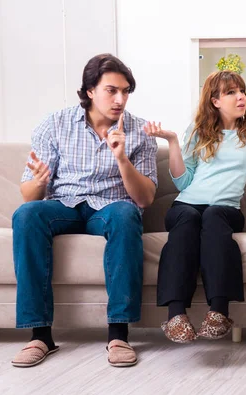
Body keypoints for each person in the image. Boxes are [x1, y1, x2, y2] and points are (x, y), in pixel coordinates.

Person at [11, 54, 158, 368]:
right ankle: (40, 336)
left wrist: (122, 160)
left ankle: (118, 334)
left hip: (109, 208)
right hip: (63, 204)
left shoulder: (139, 132)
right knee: (26, 216)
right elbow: (28, 196)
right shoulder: (55, 124)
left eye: (125, 91)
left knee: (126, 214)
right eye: (111, 90)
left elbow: (144, 199)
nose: (120, 99)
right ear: (90, 90)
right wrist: (39, 181)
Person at [144, 70, 246, 343]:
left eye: (241, 91)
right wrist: (173, 141)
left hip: (225, 209)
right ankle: (175, 315)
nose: (240, 96)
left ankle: (219, 311)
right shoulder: (198, 132)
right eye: (231, 92)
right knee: (186, 221)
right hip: (187, 203)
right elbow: (184, 182)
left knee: (213, 215)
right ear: (215, 101)